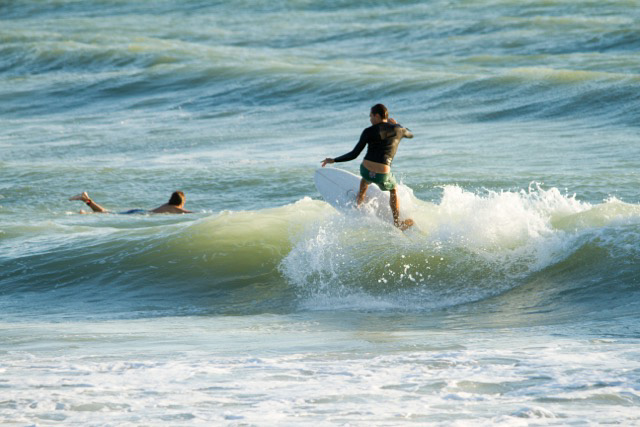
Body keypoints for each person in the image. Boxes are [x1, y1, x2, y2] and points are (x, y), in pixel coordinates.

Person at [321, 104, 414, 230]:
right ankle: (397, 222)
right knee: (393, 190)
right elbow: (410, 134)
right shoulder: (398, 130)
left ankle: (358, 204)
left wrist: (334, 160)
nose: (370, 119)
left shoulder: (368, 131)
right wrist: (398, 125)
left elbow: (354, 154)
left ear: (377, 116)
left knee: (364, 181)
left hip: (366, 171)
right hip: (382, 175)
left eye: (371, 116)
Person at [69, 191, 193, 214]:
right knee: (106, 213)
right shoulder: (176, 209)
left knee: (107, 213)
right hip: (140, 214)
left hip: (139, 211)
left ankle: (87, 201)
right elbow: (188, 213)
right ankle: (86, 202)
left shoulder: (167, 205)